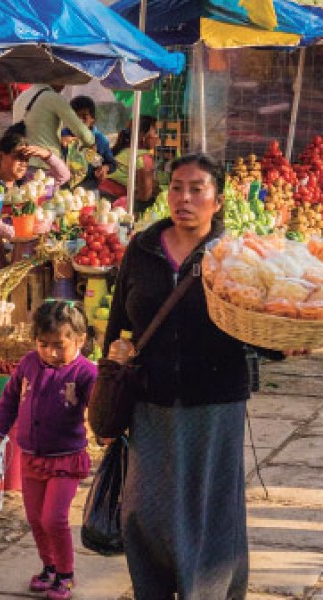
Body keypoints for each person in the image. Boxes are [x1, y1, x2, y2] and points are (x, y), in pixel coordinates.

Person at [103, 154, 250, 599]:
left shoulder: (232, 256)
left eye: (197, 189)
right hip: (150, 400)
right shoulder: (143, 250)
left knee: (209, 512)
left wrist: (284, 345)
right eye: (176, 188)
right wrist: (105, 385)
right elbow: (116, 324)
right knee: (143, 513)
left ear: (217, 200)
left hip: (215, 403)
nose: (183, 198)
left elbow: (255, 327)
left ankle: (206, 592)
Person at [0, 301, 97, 600]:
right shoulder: (28, 364)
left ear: (80, 340)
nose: (50, 352)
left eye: (59, 345)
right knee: (35, 517)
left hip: (66, 458)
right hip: (32, 457)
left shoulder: (86, 373)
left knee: (54, 518)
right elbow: (9, 399)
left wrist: (107, 427)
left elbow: (99, 409)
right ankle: (48, 567)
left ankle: (65, 573)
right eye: (43, 344)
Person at [0, 123, 70, 239]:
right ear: (1, 156)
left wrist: (47, 155)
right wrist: (19, 234)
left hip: (22, 244)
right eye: (18, 157)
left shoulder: (27, 183)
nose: (23, 164)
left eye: (26, 159)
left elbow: (63, 176)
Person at [12, 84, 94, 171]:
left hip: (21, 163)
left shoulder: (21, 97)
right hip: (44, 164)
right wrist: (91, 143)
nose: (64, 86)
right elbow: (84, 134)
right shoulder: (53, 97)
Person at [98, 115, 160, 212]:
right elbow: (144, 196)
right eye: (156, 132)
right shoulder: (144, 158)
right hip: (114, 203)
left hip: (99, 196)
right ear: (143, 136)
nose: (158, 137)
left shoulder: (121, 149)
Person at [59, 96, 116, 189]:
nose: (79, 121)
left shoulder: (100, 140)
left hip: (89, 188)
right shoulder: (62, 135)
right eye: (75, 118)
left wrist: (105, 168)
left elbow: (111, 164)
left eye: (84, 117)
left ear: (93, 120)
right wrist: (59, 143)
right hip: (64, 188)